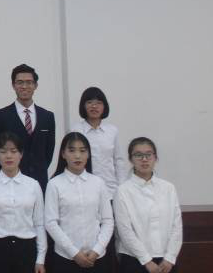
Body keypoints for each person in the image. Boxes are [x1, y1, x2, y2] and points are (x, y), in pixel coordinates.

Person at [0, 131, 46, 273]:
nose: (8, 156)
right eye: (3, 151)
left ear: (21, 154)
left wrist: (40, 259)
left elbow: (39, 223)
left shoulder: (33, 185)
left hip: (26, 248)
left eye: (13, 151)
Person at [44, 132, 114, 273]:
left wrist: (97, 250)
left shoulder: (98, 183)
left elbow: (108, 221)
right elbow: (51, 223)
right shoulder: (54, 184)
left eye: (82, 151)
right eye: (72, 150)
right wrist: (74, 253)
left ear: (88, 154)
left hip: (97, 258)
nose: (77, 156)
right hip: (66, 259)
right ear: (63, 154)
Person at [114, 138, 182, 273]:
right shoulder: (122, 191)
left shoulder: (168, 188)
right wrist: (146, 260)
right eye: (138, 155)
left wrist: (170, 257)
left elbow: (177, 226)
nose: (144, 159)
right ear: (130, 159)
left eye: (148, 154)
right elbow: (125, 231)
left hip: (166, 261)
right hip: (134, 259)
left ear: (155, 158)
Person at [0, 64, 56, 191]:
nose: (24, 86)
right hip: (8, 183)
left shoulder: (47, 116)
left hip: (39, 183)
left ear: (35, 85)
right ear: (13, 85)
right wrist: (5, 176)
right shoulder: (0, 116)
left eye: (29, 82)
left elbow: (48, 152)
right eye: (20, 82)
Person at [69, 87, 128, 200]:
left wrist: (122, 187)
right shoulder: (75, 130)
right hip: (84, 190)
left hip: (110, 190)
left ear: (104, 106)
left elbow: (118, 161)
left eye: (98, 103)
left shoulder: (112, 131)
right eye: (89, 102)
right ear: (83, 106)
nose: (94, 106)